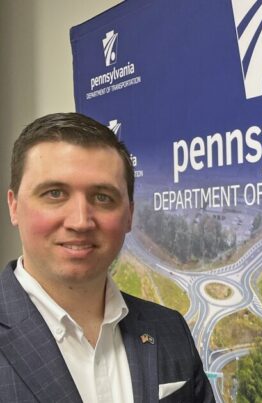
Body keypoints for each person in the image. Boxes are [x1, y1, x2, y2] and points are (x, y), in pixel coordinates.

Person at [1, 113, 214, 402]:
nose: (80, 221)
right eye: (54, 193)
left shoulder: (169, 329)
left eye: (102, 197)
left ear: (129, 215)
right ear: (14, 206)